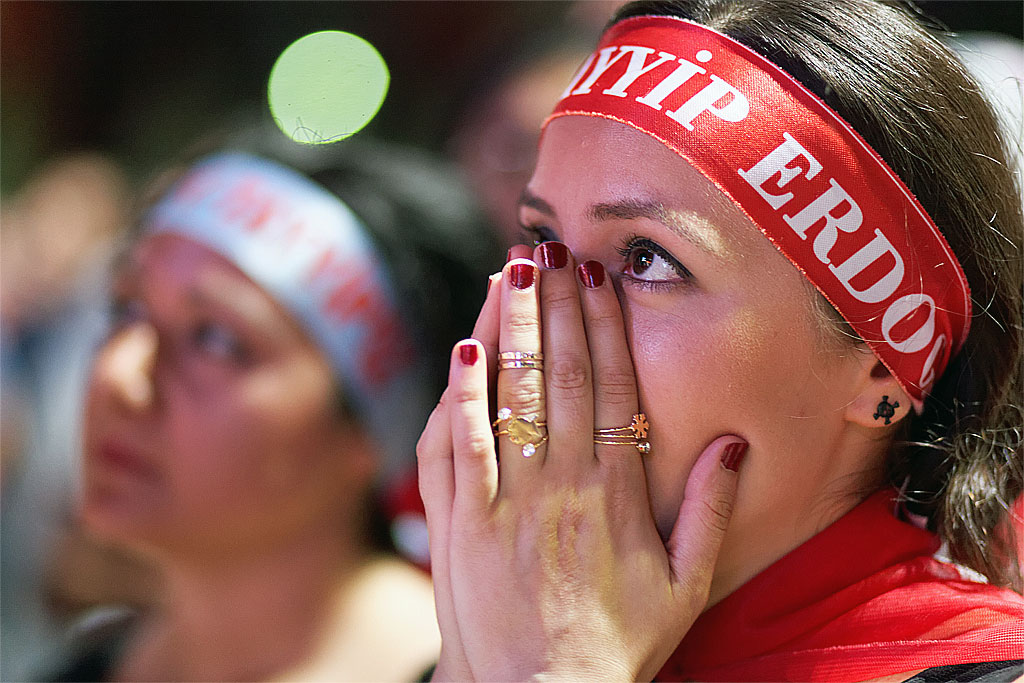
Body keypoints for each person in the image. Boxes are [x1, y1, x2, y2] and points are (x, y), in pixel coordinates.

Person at [416, 0, 1024, 681]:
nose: (552, 318)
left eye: (646, 258)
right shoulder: (474, 629)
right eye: (544, 242)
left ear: (880, 367)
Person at [55, 134, 499, 681]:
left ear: (370, 430)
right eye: (126, 310)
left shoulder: (478, 671)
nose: (118, 377)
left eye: (216, 340)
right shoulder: (89, 662)